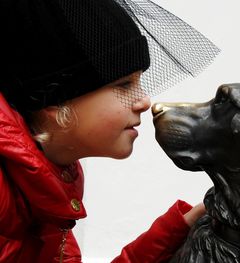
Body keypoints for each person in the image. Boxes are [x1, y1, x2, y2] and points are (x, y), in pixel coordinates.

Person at [0, 0, 218, 262]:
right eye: (124, 84)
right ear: (56, 100)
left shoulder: (48, 189)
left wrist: (176, 232)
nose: (145, 101)